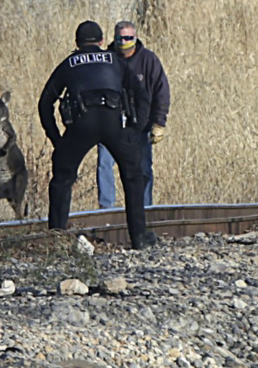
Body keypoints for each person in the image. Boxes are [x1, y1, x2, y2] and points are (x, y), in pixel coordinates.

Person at [37, 20, 158, 249]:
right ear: (102, 42)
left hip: (81, 125)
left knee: (62, 179)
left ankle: (57, 239)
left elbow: (45, 103)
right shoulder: (115, 61)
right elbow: (142, 96)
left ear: (77, 43)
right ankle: (139, 238)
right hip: (113, 123)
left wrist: (58, 141)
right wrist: (135, 129)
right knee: (133, 176)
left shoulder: (69, 63)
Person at [97, 20, 171, 209]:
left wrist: (159, 123)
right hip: (110, 124)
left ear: (135, 37)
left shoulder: (148, 60)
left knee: (144, 168)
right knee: (105, 165)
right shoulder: (107, 59)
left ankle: (144, 208)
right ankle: (107, 209)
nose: (124, 42)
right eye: (120, 38)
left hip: (140, 124)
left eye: (129, 38)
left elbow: (161, 91)